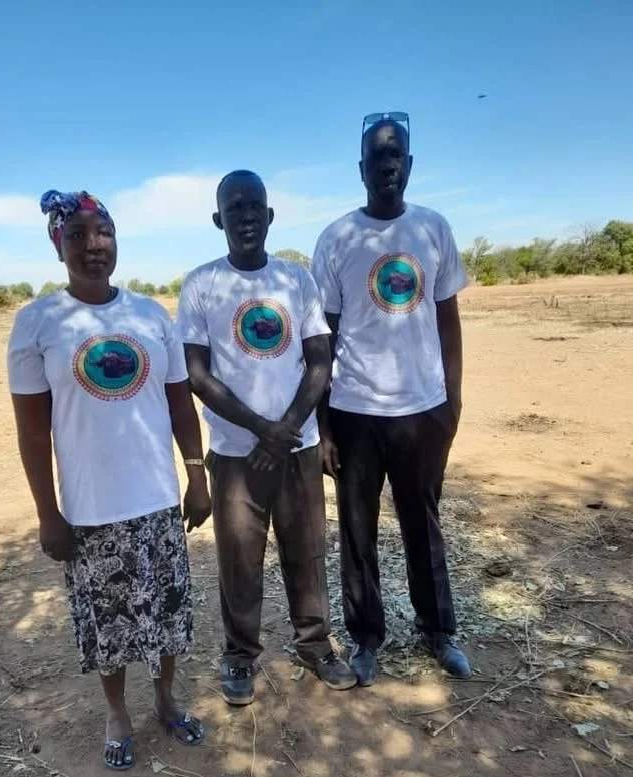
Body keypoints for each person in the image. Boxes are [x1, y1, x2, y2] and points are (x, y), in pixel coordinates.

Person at [7, 189, 211, 769]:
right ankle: (117, 712)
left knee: (169, 612)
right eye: (78, 236)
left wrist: (197, 475)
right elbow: (32, 432)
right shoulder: (38, 323)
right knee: (108, 624)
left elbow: (178, 405)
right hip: (91, 510)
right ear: (58, 247)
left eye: (105, 234)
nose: (94, 246)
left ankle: (167, 700)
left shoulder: (150, 314)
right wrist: (48, 513)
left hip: (156, 500)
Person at [178, 170, 357, 705]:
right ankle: (239, 657)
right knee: (239, 559)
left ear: (270, 215)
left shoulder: (297, 280)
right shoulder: (201, 284)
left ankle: (315, 645)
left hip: (297, 450)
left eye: (255, 206)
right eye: (235, 209)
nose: (247, 216)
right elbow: (196, 372)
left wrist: (287, 430)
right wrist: (263, 430)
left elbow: (321, 361)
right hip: (236, 455)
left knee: (306, 552)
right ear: (219, 221)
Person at [312, 113, 472, 686]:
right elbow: (322, 340)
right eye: (376, 158)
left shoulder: (434, 229)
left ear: (409, 163)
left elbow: (448, 322)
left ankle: (438, 632)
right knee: (357, 530)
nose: (387, 165)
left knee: (422, 523)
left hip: (421, 410)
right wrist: (324, 427)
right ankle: (366, 639)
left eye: (395, 155)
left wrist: (451, 405)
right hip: (354, 411)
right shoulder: (335, 239)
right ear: (361, 169)